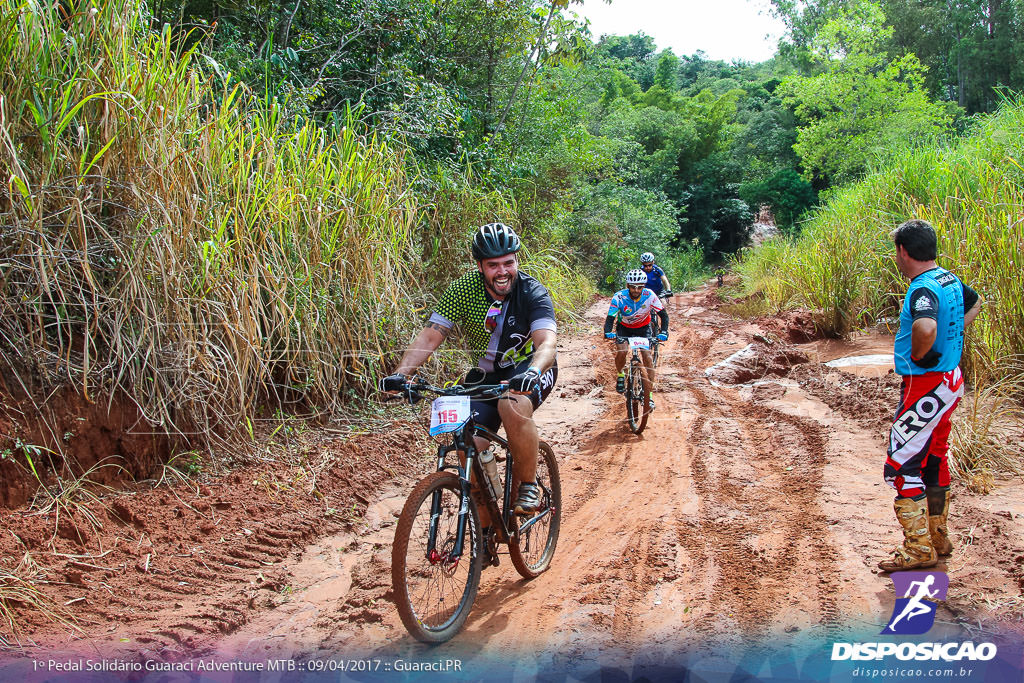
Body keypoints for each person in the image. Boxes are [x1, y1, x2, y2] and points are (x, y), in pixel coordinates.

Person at [380, 223, 558, 521]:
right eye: (493, 265)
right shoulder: (463, 290)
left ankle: (527, 485)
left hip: (530, 369)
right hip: (486, 375)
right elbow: (430, 336)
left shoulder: (532, 292)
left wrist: (533, 371)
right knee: (467, 445)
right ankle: (486, 527)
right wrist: (402, 373)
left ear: (517, 261)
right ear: (479, 266)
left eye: (508, 263)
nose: (502, 272)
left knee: (511, 404)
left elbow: (547, 343)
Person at [878, 219, 981, 572]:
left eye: (896, 251)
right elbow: (976, 302)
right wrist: (950, 341)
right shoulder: (948, 279)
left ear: (904, 252)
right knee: (935, 456)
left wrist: (924, 352)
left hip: (925, 385)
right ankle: (938, 537)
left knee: (902, 464)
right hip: (951, 380)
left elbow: (924, 325)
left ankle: (918, 548)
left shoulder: (921, 289)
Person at [603, 269, 669, 413]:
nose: (636, 290)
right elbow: (610, 318)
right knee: (622, 351)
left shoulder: (650, 295)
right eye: (633, 286)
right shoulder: (619, 297)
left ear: (644, 286)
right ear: (628, 285)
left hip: (643, 328)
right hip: (624, 328)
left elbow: (663, 315)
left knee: (647, 356)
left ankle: (649, 394)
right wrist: (608, 332)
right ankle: (621, 374)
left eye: (640, 286)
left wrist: (664, 331)